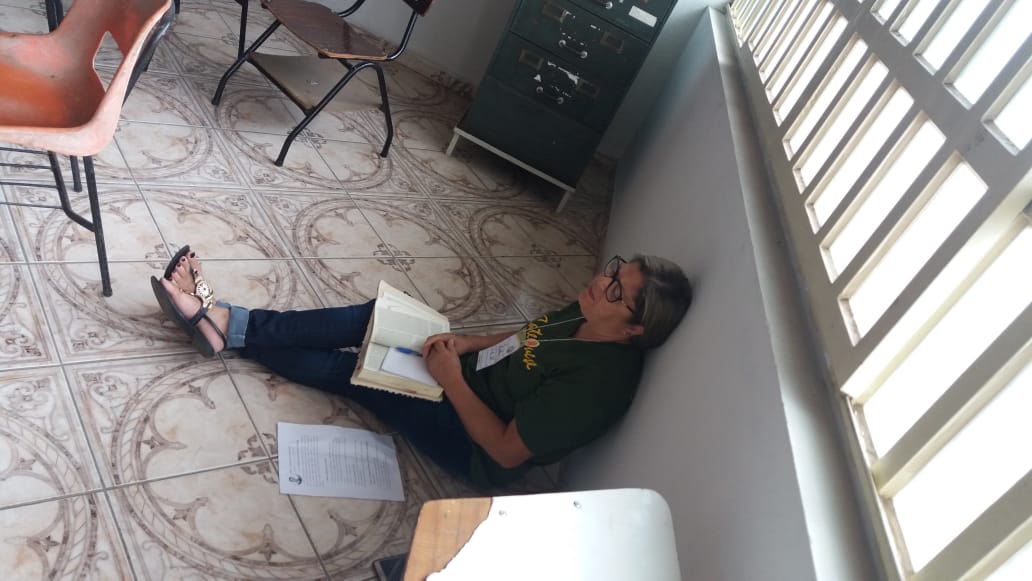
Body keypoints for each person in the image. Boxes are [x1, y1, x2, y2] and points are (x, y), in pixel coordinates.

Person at [151, 247, 693, 487]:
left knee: (357, 373)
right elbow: (524, 337)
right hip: (464, 376)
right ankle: (225, 323)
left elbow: (506, 451)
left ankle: (221, 320)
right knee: (372, 319)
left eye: (617, 290)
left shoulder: (596, 387)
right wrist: (466, 343)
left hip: (473, 442)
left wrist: (451, 380)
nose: (601, 282)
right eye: (614, 271)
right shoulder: (588, 309)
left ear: (634, 329)